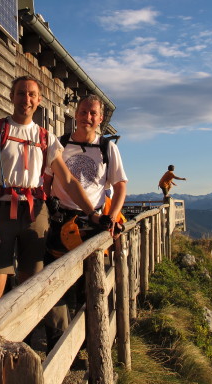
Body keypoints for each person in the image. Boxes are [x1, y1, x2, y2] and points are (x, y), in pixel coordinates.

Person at [0, 76, 101, 311]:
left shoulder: (46, 138)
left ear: (39, 100)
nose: (26, 99)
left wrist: (92, 213)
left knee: (31, 286)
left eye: (32, 94)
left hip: (35, 213)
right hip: (0, 213)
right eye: (21, 93)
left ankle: (23, 342)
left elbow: (69, 180)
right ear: (11, 96)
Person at [42, 94, 128, 349]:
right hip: (61, 219)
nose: (87, 117)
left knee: (90, 285)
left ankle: (89, 342)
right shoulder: (59, 145)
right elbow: (47, 181)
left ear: (100, 118)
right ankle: (57, 344)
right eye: (83, 112)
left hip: (94, 223)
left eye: (93, 113)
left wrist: (112, 216)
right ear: (76, 113)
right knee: (55, 282)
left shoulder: (107, 148)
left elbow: (120, 185)